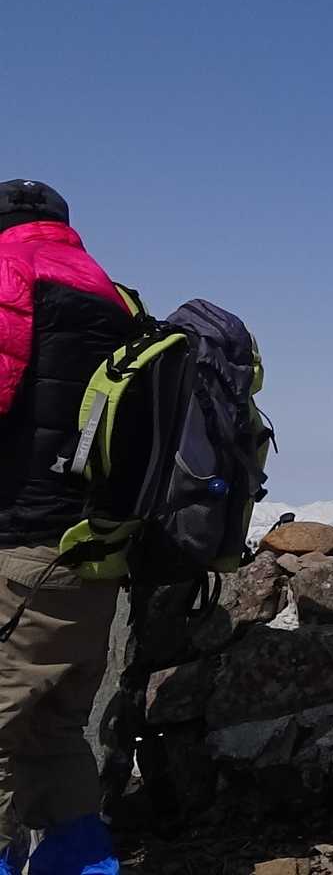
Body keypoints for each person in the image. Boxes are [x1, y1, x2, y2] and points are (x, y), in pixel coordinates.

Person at [0, 180, 133, 875]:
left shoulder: (9, 273)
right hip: (92, 554)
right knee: (52, 729)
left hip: (17, 546)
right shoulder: (114, 297)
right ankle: (84, 865)